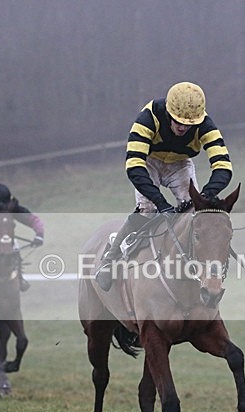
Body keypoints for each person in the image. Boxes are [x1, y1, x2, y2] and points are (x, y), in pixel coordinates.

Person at [95, 81, 233, 291]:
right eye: (178, 122)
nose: (183, 127)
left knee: (195, 212)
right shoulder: (148, 118)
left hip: (180, 164)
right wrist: (161, 203)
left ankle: (195, 268)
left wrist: (206, 194)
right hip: (147, 162)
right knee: (148, 211)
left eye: (189, 124)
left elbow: (223, 166)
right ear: (168, 113)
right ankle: (111, 258)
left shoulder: (206, 125)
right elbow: (134, 166)